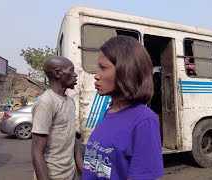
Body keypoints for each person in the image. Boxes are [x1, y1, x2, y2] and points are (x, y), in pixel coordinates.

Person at [82, 35, 164, 179]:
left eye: (103, 68)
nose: (96, 75)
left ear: (126, 70)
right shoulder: (109, 112)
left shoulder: (144, 120)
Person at [31, 56, 83, 180]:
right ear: (58, 73)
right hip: (53, 175)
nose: (75, 75)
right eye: (71, 70)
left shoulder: (70, 101)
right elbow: (37, 152)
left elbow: (72, 140)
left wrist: (84, 171)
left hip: (71, 173)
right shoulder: (46, 102)